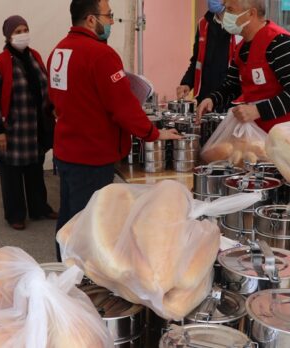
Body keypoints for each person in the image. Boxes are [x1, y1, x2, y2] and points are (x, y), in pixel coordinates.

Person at [48, 0, 181, 260]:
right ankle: (83, 283)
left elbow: (56, 99)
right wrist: (153, 134)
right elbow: (123, 107)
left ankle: (63, 269)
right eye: (108, 16)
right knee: (91, 225)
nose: (111, 22)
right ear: (90, 19)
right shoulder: (101, 55)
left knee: (68, 218)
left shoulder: (59, 51)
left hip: (66, 151)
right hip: (92, 155)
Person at [0, 15, 58, 231]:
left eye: (24, 29)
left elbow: (45, 86)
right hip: (11, 130)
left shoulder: (34, 56)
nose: (22, 34)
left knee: (35, 170)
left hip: (34, 128)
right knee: (12, 175)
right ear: (8, 36)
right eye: (17, 31)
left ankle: (39, 208)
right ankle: (15, 215)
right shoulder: (0, 62)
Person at [196, 0, 290, 132]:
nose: (225, 15)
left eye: (230, 10)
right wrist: (212, 99)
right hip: (263, 130)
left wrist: (258, 110)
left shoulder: (280, 42)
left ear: (251, 13)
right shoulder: (242, 48)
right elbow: (232, 85)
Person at [176, 0, 235, 112]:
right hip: (204, 99)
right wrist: (186, 83)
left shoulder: (239, 24)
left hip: (230, 101)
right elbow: (197, 61)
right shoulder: (203, 23)